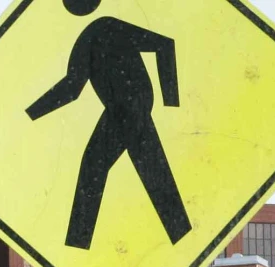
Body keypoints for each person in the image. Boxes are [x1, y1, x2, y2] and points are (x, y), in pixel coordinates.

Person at [26, 0, 192, 250]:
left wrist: (172, 101)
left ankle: (78, 244)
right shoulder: (91, 37)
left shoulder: (104, 28)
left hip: (129, 106)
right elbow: (72, 88)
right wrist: (31, 114)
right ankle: (180, 234)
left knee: (95, 167)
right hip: (124, 109)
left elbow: (163, 45)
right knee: (149, 170)